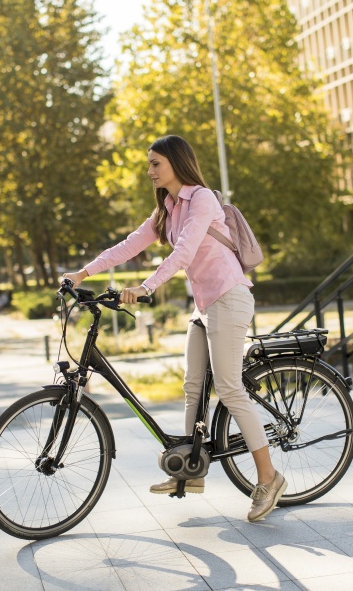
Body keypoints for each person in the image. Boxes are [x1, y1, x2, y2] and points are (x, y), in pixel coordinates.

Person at [61, 135, 287, 522]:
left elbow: (183, 251)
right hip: (206, 304)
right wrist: (83, 273)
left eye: (155, 164)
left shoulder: (202, 200)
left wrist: (147, 287)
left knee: (230, 387)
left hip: (229, 297)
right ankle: (189, 471)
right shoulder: (167, 207)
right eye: (148, 164)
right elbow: (130, 244)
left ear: (176, 164)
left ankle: (268, 477)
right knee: (192, 386)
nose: (149, 171)